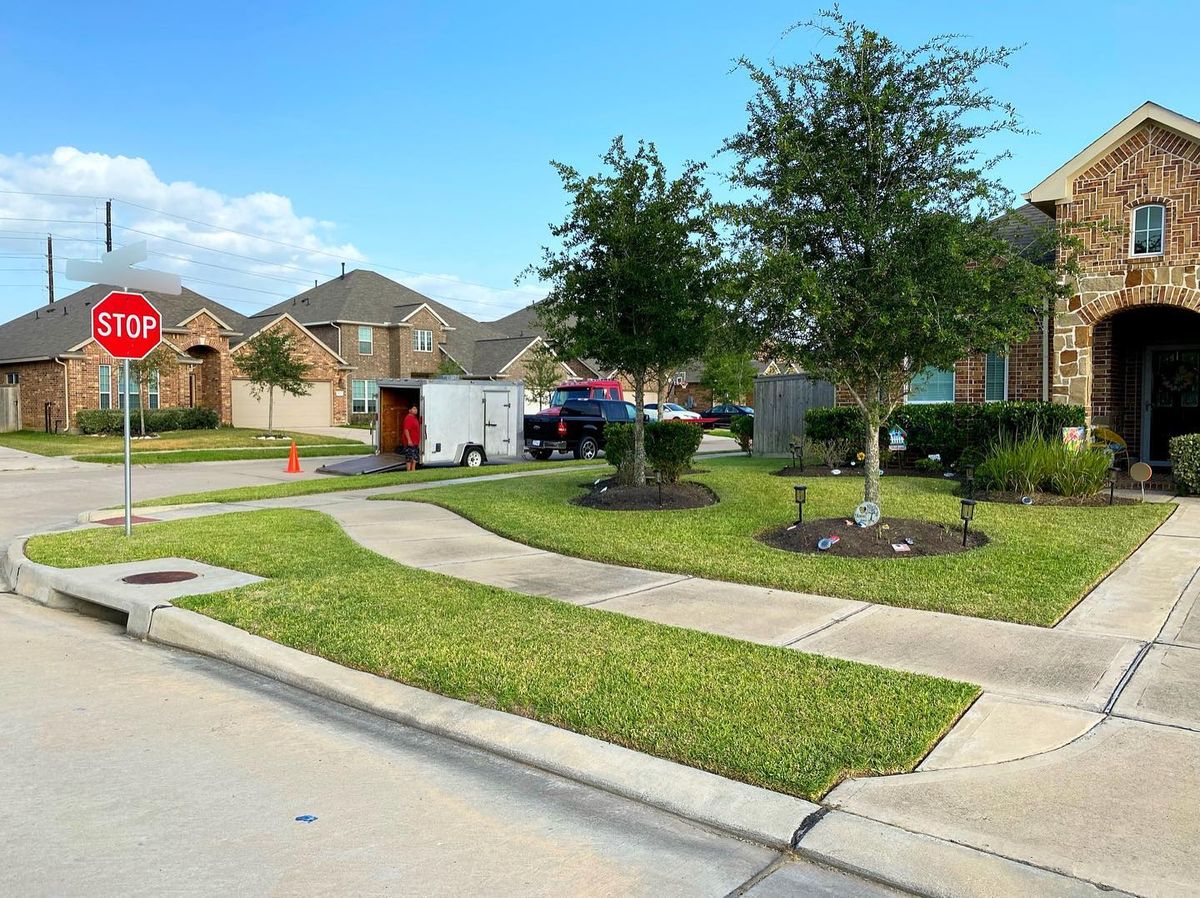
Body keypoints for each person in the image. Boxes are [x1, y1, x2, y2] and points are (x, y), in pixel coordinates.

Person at [401, 404, 421, 472]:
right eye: (414, 409)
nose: (416, 410)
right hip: (410, 442)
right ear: (410, 410)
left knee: (415, 457)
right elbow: (406, 430)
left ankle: (413, 470)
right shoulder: (408, 418)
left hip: (415, 441)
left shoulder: (414, 418)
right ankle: (409, 470)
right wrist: (409, 440)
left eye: (416, 409)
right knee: (409, 457)